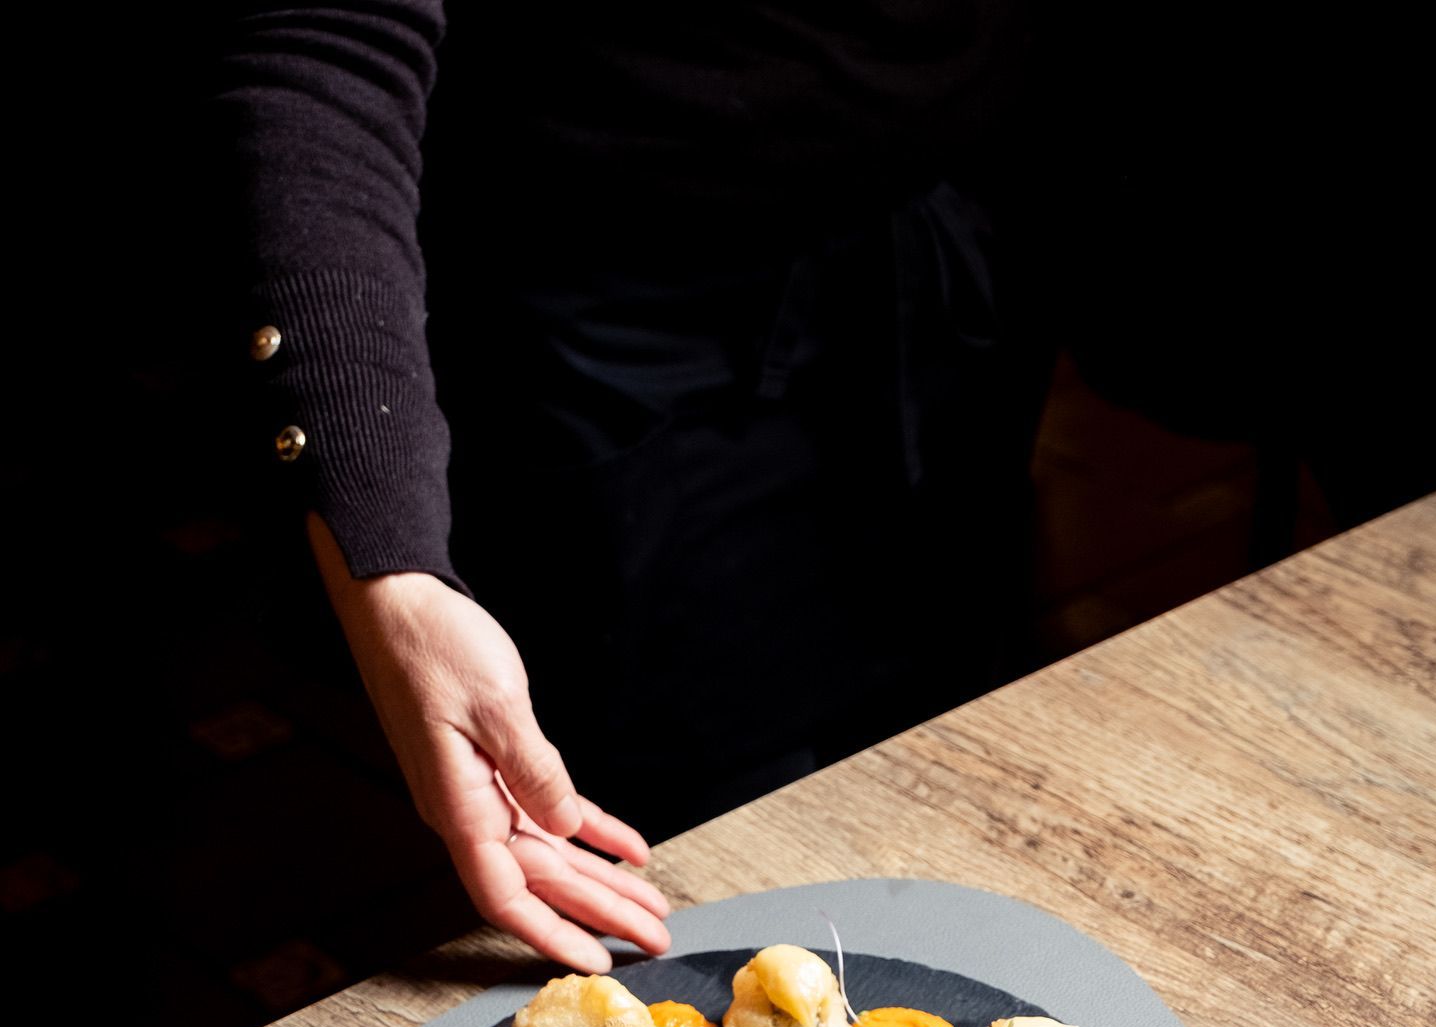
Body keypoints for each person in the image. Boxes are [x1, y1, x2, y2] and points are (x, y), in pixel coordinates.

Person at [212, 5, 1049, 971]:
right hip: (616, 316)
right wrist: (390, 565)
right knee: (696, 887)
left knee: (942, 760)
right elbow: (321, 51)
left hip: (945, 251)